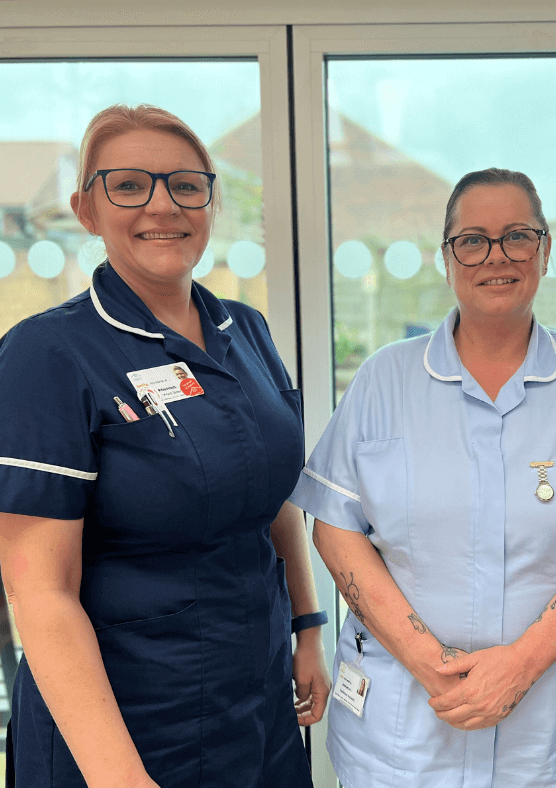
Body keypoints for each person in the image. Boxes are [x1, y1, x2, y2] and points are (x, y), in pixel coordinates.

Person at [290, 168, 556, 788]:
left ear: (545, 251)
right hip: (403, 728)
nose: (496, 256)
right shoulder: (386, 381)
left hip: (546, 732)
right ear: (447, 256)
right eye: (473, 240)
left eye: (517, 236)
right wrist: (428, 663)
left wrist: (520, 665)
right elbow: (334, 526)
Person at [0, 104, 331, 788]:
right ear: (87, 209)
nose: (162, 205)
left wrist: (306, 627)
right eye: (128, 185)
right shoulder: (48, 354)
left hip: (257, 701)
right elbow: (41, 592)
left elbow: (273, 499)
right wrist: (122, 779)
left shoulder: (246, 330)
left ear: (210, 202)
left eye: (186, 185)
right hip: (126, 723)